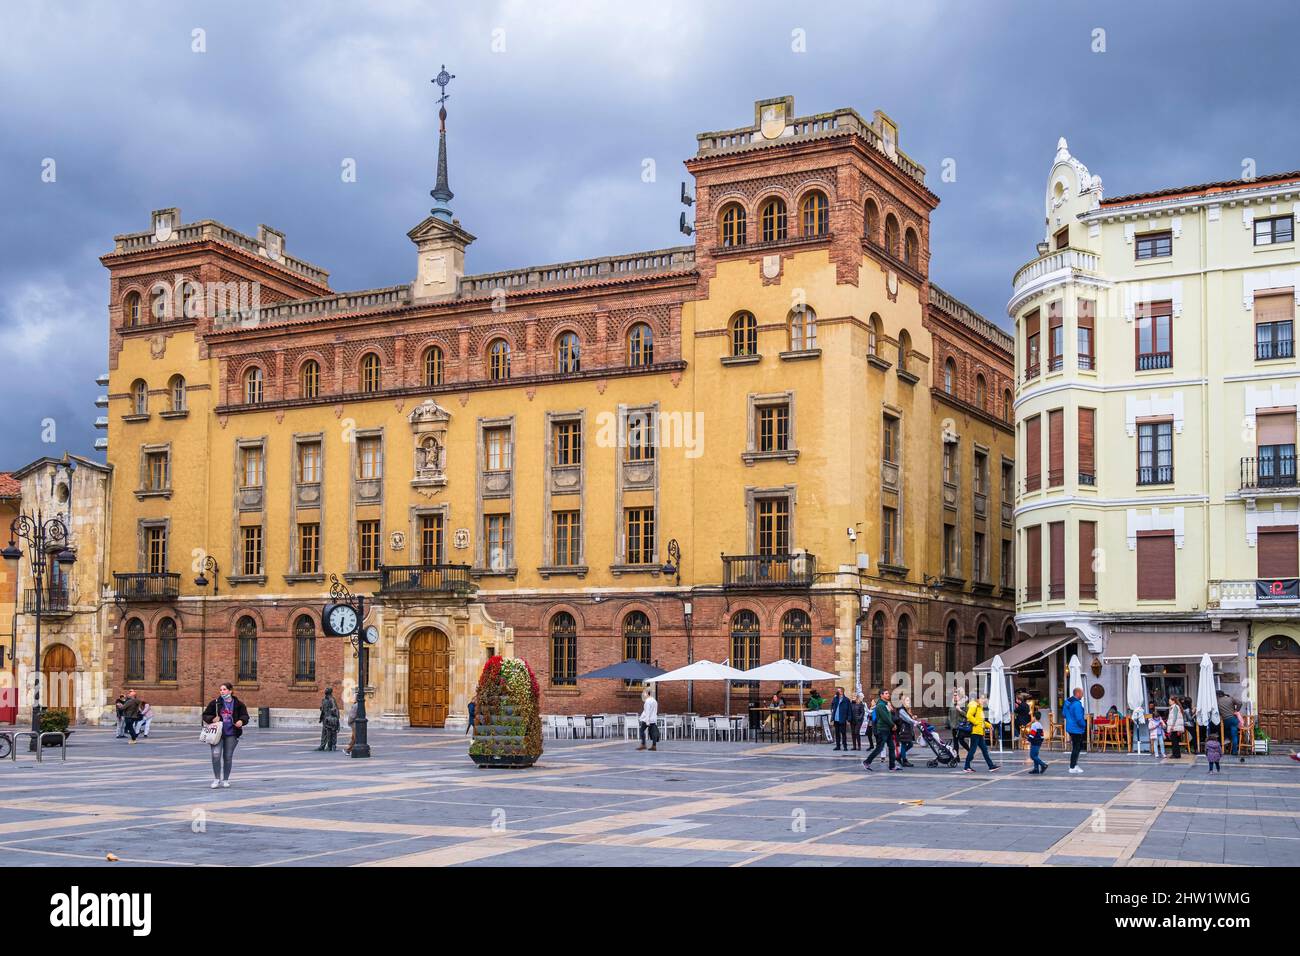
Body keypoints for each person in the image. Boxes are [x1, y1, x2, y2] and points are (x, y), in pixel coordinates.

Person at [201, 682, 248, 788]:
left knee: (228, 757)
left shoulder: (238, 704)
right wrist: (212, 719)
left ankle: (226, 779)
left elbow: (245, 716)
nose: (222, 691)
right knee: (216, 755)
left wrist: (241, 721)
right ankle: (216, 779)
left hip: (231, 733)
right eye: (221, 690)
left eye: (224, 689)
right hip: (217, 734)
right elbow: (205, 715)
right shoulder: (216, 703)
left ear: (230, 691)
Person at [862, 689, 897, 771]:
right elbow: (885, 717)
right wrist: (893, 725)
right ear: (881, 695)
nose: (888, 695)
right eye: (886, 693)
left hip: (887, 729)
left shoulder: (885, 704)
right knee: (880, 747)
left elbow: (890, 716)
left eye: (888, 693)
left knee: (891, 747)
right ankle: (867, 762)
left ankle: (892, 766)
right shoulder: (880, 705)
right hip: (882, 729)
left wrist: (891, 709)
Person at [962, 695, 999, 773]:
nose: (984, 700)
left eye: (985, 699)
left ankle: (991, 766)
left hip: (980, 732)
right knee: (972, 750)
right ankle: (966, 766)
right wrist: (976, 723)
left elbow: (981, 721)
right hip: (975, 732)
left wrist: (989, 725)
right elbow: (969, 715)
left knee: (984, 750)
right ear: (978, 699)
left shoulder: (980, 707)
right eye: (982, 698)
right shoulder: (974, 706)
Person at [1063, 687, 1087, 774]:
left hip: (1070, 727)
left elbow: (1064, 714)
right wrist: (1084, 725)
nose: (1082, 695)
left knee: (1077, 746)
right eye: (1082, 693)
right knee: (1076, 747)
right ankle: (1072, 767)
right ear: (1077, 693)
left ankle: (1074, 764)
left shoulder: (1067, 702)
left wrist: (1070, 719)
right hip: (1076, 728)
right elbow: (1079, 718)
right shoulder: (1076, 704)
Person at [895, 695, 920, 767]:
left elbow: (909, 718)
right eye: (907, 700)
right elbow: (907, 719)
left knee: (909, 744)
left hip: (907, 729)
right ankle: (904, 760)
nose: (909, 702)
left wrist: (913, 717)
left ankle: (899, 757)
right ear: (903, 701)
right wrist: (914, 722)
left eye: (909, 700)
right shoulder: (901, 710)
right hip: (903, 729)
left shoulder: (906, 709)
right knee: (904, 744)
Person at [1216, 689, 1240, 756]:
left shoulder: (1217, 702)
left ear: (1218, 695)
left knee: (1223, 731)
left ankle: (1226, 740)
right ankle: (1234, 751)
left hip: (1226, 720)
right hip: (1233, 719)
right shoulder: (1230, 699)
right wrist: (1236, 710)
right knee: (1234, 735)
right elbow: (1240, 703)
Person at [829, 686, 853, 751]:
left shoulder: (846, 700)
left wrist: (848, 719)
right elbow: (832, 707)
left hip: (842, 719)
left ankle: (845, 746)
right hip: (836, 719)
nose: (837, 691)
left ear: (841, 692)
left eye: (838, 690)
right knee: (837, 733)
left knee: (843, 733)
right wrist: (832, 718)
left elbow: (849, 710)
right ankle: (838, 746)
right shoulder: (835, 699)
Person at [948, 690, 968, 755]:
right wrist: (950, 724)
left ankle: (970, 751)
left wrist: (959, 710)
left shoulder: (964, 704)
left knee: (961, 740)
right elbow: (950, 714)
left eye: (956, 695)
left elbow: (967, 715)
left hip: (961, 726)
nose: (955, 697)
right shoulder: (952, 704)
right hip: (954, 726)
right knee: (955, 742)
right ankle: (956, 757)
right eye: (954, 695)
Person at [1167, 695, 1185, 760]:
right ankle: (1176, 754)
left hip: (1175, 726)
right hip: (1176, 726)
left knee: (1174, 741)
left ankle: (1176, 754)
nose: (1169, 702)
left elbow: (1174, 717)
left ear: (1173, 701)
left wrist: (1172, 726)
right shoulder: (1175, 707)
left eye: (1170, 701)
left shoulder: (1175, 707)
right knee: (1175, 741)